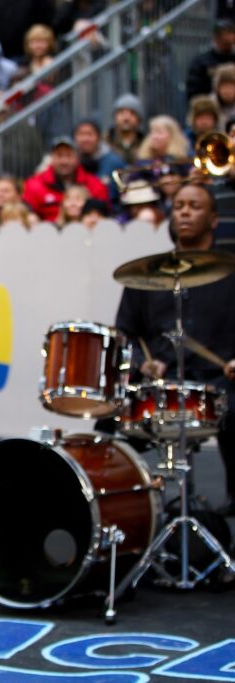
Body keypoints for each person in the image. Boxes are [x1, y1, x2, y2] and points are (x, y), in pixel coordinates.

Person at [112, 183, 235, 515]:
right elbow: (124, 332)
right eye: (179, 205)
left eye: (194, 206)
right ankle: (128, 518)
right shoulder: (146, 276)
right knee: (109, 428)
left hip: (218, 382)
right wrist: (142, 362)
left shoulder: (230, 273)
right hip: (161, 386)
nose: (183, 211)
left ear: (213, 219)